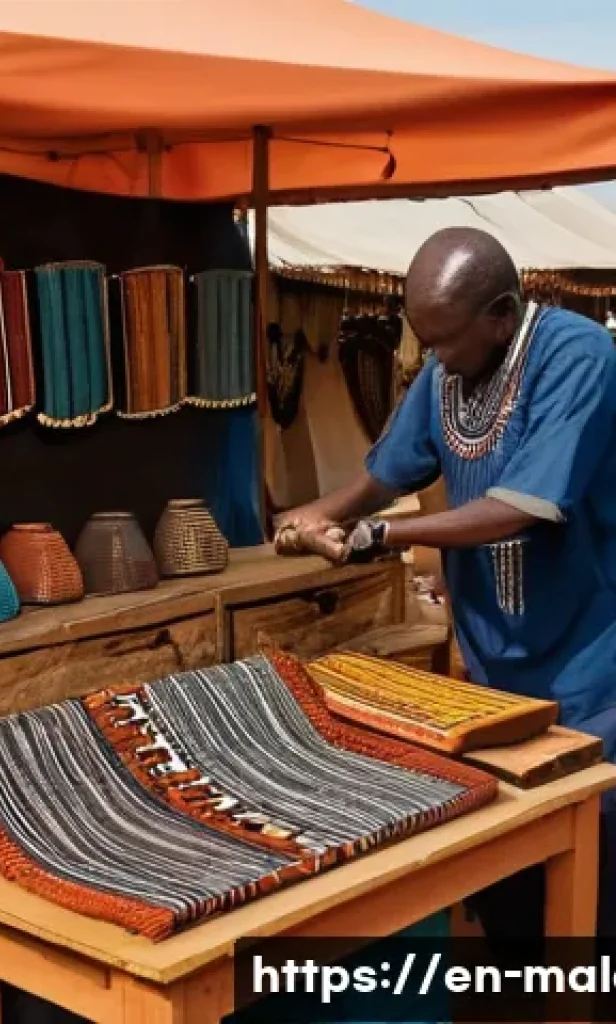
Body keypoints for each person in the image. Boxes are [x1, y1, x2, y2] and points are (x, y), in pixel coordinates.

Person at [277, 226, 616, 940]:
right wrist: (322, 514)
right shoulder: (450, 371)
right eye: (424, 341)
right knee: (508, 855)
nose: (432, 358)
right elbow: (390, 470)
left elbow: (522, 508)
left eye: (446, 341)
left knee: (591, 839)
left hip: (591, 656)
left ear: (500, 312)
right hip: (494, 656)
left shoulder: (579, 357)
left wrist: (383, 535)